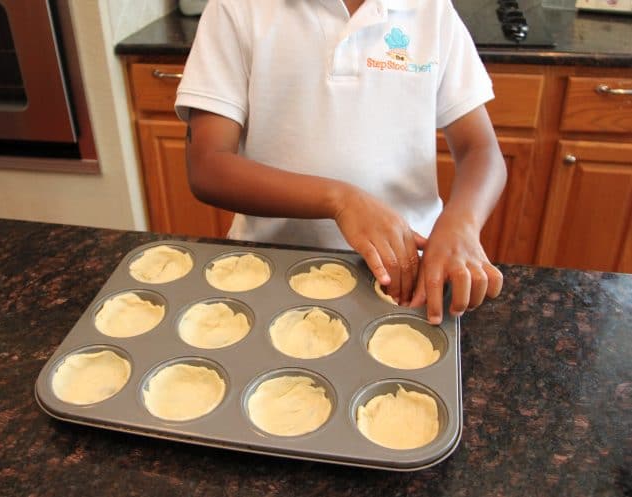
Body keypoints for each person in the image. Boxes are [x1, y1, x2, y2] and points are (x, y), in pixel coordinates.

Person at [175, 0, 506, 325]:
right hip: (270, 266)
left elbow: (481, 149)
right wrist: (341, 200)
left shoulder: (431, 10)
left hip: (407, 272)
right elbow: (208, 166)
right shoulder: (236, 8)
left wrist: (462, 223)